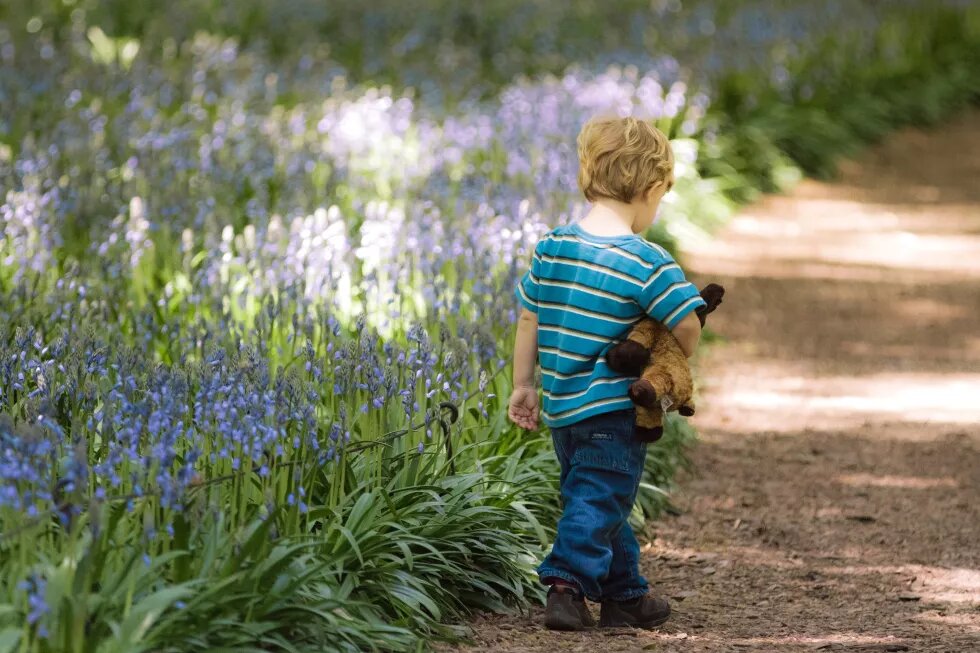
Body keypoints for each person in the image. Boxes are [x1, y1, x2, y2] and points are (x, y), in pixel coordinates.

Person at [508, 115, 705, 631]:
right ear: (650, 188)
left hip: (565, 410)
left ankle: (624, 596)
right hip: (615, 410)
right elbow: (686, 324)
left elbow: (529, 318)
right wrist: (669, 355)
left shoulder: (552, 247)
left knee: (598, 496)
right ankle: (566, 585)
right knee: (600, 498)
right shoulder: (647, 261)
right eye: (660, 198)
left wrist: (523, 385)